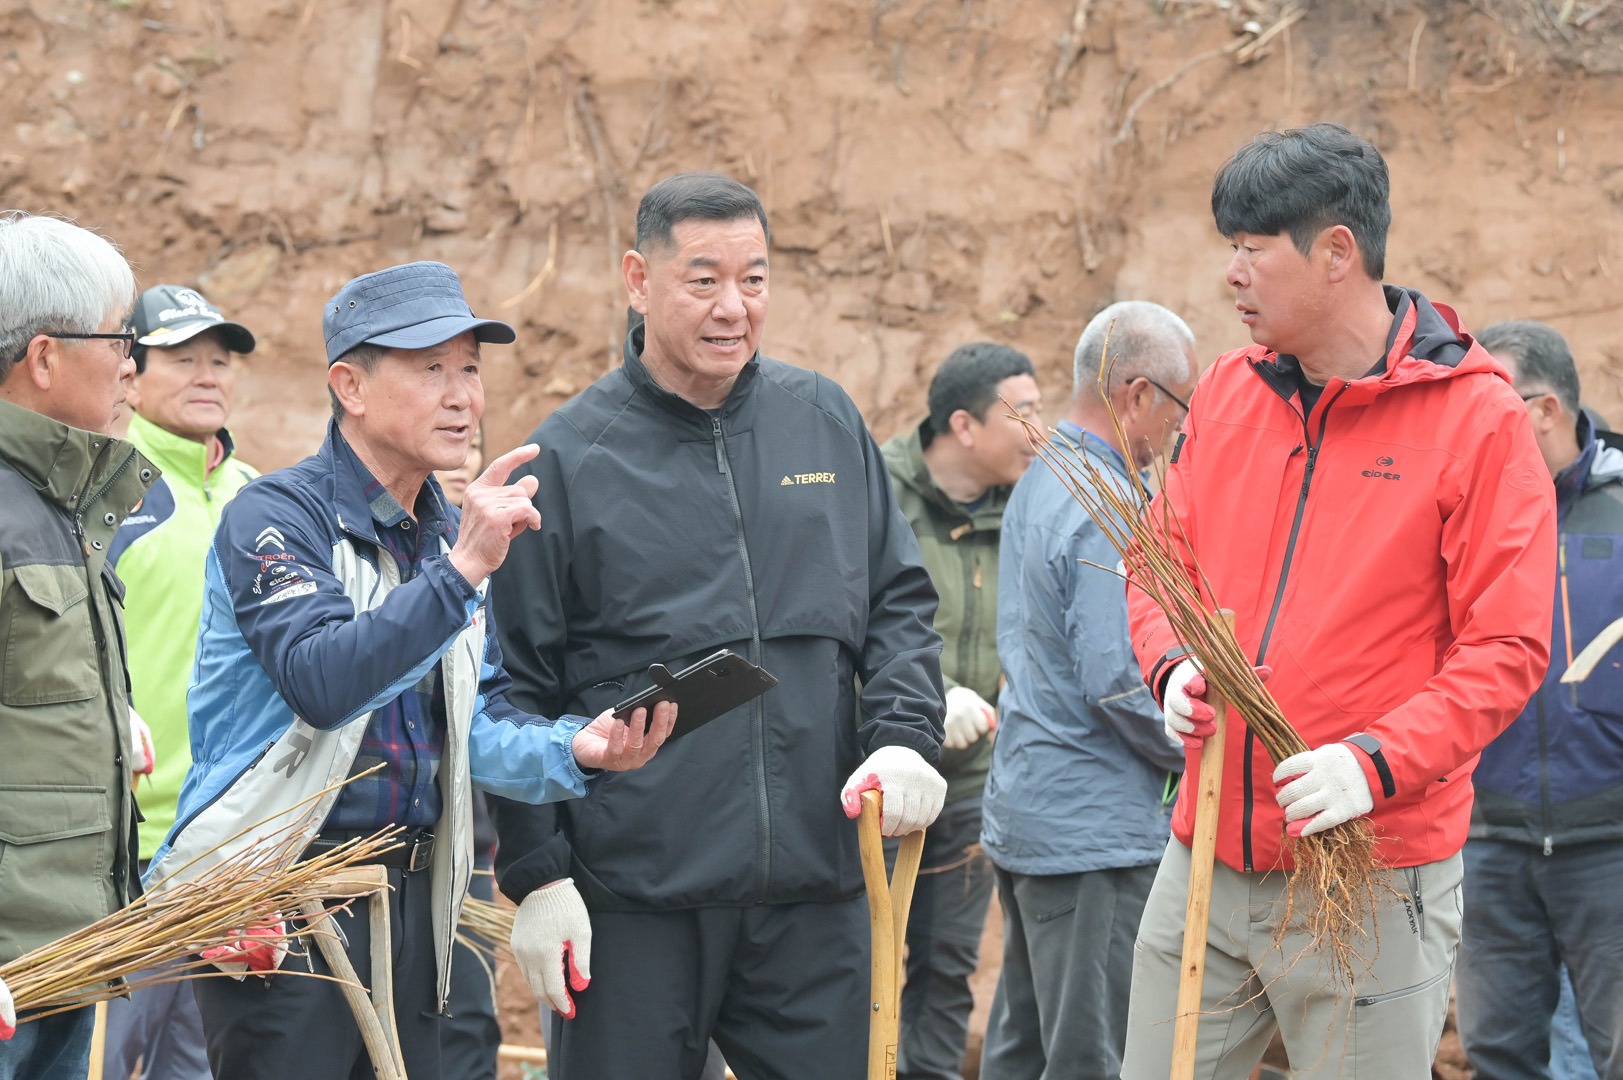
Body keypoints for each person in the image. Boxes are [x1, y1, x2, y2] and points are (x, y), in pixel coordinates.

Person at [142, 261, 676, 1080]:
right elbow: (323, 683)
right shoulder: (276, 518)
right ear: (349, 386)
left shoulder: (444, 537)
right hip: (281, 912)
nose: (463, 397)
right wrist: (461, 573)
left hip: (421, 906)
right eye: (431, 369)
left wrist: (577, 748)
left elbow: (472, 723)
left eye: (470, 369)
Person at [488, 172, 948, 1080]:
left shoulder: (823, 422)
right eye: (702, 280)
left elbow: (898, 602)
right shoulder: (571, 456)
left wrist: (903, 737)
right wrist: (539, 874)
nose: (733, 307)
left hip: (816, 891)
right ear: (638, 279)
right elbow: (516, 680)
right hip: (632, 901)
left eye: (754, 279)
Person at [1119, 123, 1556, 1079]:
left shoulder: (1475, 418)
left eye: (1251, 248)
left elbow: (1507, 646)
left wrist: (1374, 763)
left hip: (1370, 869)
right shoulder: (1228, 392)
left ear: (1334, 252)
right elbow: (1157, 565)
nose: (1230, 273)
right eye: (1229, 247)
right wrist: (1170, 663)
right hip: (1205, 853)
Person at [979, 302, 1195, 1080]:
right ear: (1136, 395)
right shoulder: (1106, 506)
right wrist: (1200, 753)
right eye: (1178, 408)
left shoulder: (1044, 478)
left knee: (1026, 1043)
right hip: (1093, 830)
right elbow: (1120, 681)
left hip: (1037, 806)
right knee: (1093, 1055)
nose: (1178, 430)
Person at [0, 212, 150, 1077]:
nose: (133, 363)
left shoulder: (61, 507)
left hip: (61, 953)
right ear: (45, 358)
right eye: (119, 336)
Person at [99, 284, 259, 1080]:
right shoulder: (104, 486)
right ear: (129, 373)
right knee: (100, 1059)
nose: (207, 375)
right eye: (183, 357)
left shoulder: (259, 495)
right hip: (123, 851)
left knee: (200, 1067)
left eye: (220, 360)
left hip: (231, 851)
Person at [1455, 319, 1622, 1080]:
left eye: (1490, 406)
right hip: (1488, 841)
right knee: (1496, 1055)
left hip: (1610, 843)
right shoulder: (1461, 511)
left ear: (1546, 410)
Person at [879, 342, 1040, 1080]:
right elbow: (843, 623)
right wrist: (930, 695)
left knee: (946, 966)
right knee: (860, 958)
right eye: (1023, 413)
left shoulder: (1031, 502)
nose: (1039, 431)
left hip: (972, 780)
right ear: (964, 426)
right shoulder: (876, 492)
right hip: (879, 771)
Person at [432, 422, 504, 1080]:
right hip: (374, 843)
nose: (463, 461)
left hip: (469, 840)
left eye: (474, 445)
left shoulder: (502, 557)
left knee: (467, 1018)